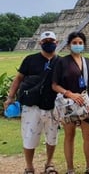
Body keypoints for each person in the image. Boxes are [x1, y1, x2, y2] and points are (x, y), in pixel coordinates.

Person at [3, 31, 59, 174]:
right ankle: (29, 166)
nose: (48, 43)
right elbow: (18, 79)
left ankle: (49, 163)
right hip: (31, 105)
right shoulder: (30, 59)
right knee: (29, 137)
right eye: (45, 41)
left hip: (52, 106)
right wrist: (10, 97)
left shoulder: (61, 62)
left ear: (57, 42)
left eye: (51, 40)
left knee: (52, 138)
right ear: (40, 43)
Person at [52, 31, 89, 174]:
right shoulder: (62, 61)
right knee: (69, 135)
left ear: (84, 45)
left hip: (86, 102)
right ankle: (70, 168)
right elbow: (54, 85)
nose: (77, 45)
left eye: (80, 43)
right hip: (69, 104)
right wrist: (69, 94)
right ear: (68, 45)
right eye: (74, 43)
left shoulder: (88, 61)